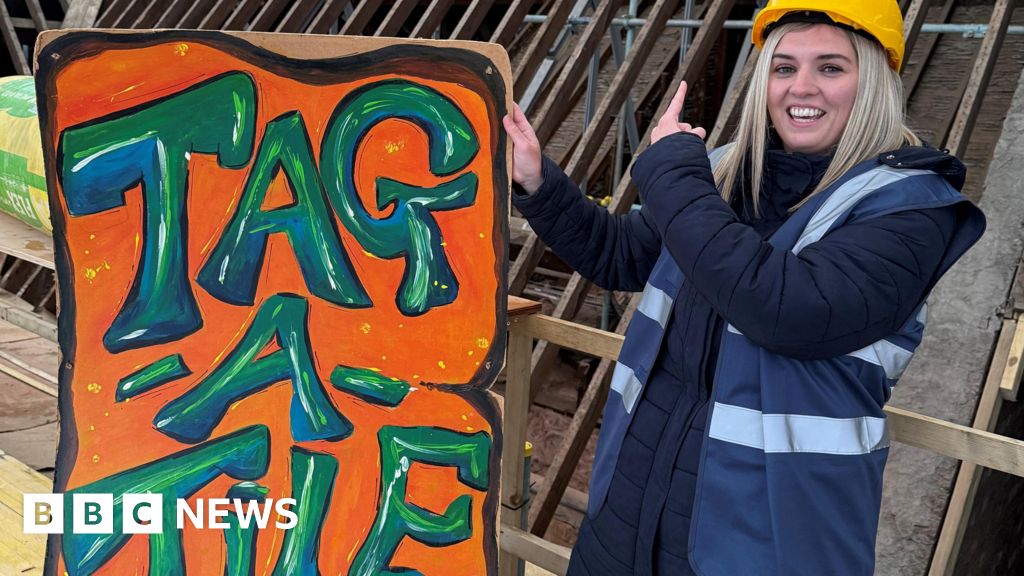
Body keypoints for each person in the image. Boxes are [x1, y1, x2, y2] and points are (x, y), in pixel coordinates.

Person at [502, 0, 986, 574]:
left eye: (831, 67)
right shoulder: (728, 169)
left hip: (768, 537)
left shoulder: (910, 207)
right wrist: (536, 180)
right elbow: (624, 255)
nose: (800, 88)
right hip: (634, 503)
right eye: (783, 67)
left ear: (875, 82)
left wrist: (675, 175)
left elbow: (785, 308)